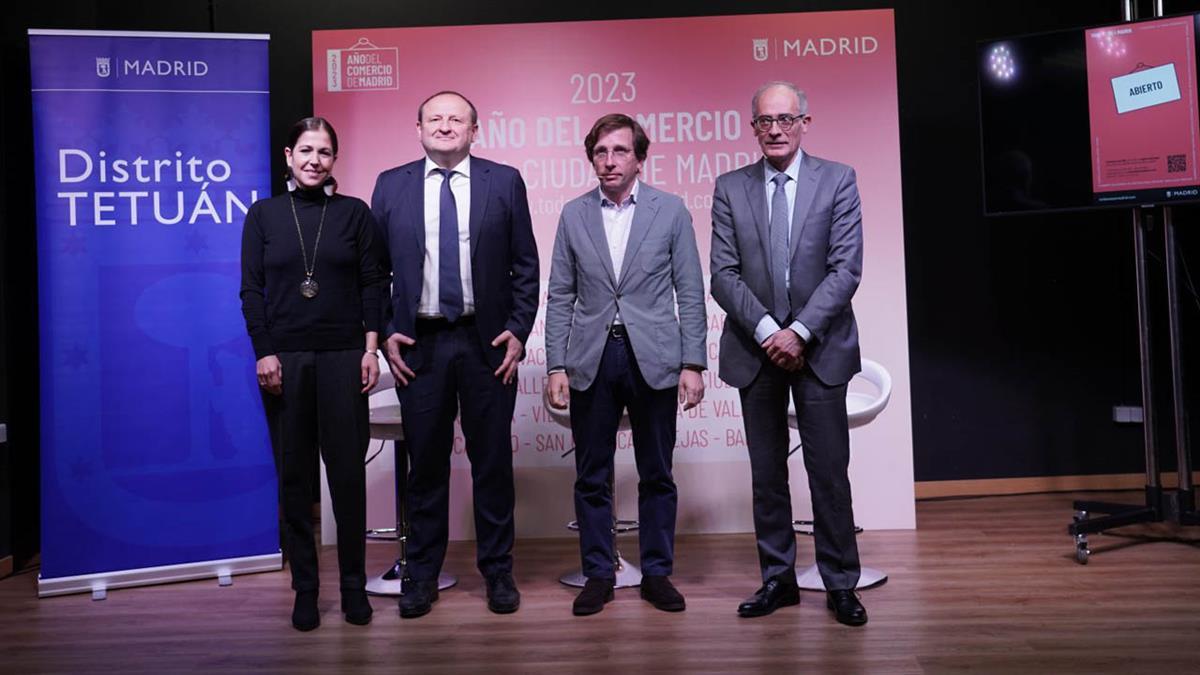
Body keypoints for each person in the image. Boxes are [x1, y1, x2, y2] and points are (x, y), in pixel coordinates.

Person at [370, 90, 539, 619]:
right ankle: (420, 575)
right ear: (417, 128)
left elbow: (525, 266)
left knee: (492, 463)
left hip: (487, 343)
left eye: (456, 119)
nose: (445, 126)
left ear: (475, 129)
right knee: (426, 466)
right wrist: (387, 330)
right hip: (418, 343)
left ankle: (498, 572)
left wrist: (517, 330)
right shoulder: (391, 184)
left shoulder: (503, 180)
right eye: (435, 119)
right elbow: (373, 272)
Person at [709, 82, 868, 626]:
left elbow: (845, 268)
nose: (774, 129)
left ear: (805, 121)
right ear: (752, 127)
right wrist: (767, 331)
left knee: (828, 472)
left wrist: (798, 331)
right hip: (756, 351)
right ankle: (777, 579)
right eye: (764, 121)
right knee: (767, 475)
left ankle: (841, 582)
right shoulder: (730, 187)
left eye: (785, 119)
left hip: (820, 349)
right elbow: (722, 275)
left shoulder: (838, 179)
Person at [545, 114, 707, 616]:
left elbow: (690, 291)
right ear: (591, 158)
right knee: (591, 475)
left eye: (620, 151)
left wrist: (693, 362)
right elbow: (559, 296)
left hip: (654, 355)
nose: (610, 161)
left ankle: (657, 573)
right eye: (600, 152)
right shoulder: (573, 214)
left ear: (640, 158)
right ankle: (599, 573)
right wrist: (556, 365)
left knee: (656, 472)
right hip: (591, 356)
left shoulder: (671, 211)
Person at [240, 116, 384, 631]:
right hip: (285, 362)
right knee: (295, 479)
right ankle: (306, 589)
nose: (313, 160)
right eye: (305, 150)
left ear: (333, 160)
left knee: (347, 478)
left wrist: (371, 350)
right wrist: (264, 351)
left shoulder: (354, 214)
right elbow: (251, 291)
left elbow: (373, 286)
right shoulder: (263, 216)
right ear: (288, 155)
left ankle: (352, 588)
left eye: (323, 152)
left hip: (345, 357)